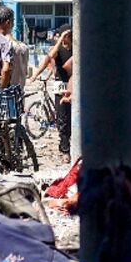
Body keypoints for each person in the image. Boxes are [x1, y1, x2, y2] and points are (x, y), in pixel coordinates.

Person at [29, 25, 73, 161]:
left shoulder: (76, 48)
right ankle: (65, 149)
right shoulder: (57, 49)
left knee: (73, 118)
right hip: (61, 86)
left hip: (74, 85)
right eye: (61, 35)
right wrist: (35, 75)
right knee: (62, 119)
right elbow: (49, 58)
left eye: (67, 35)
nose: (64, 38)